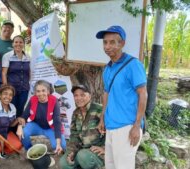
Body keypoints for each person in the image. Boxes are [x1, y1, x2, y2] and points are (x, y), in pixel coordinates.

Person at [96, 25, 147, 169]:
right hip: (111, 126)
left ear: (122, 43)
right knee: (110, 166)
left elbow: (143, 94)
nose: (107, 46)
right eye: (105, 42)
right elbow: (106, 93)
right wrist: (102, 117)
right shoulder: (107, 68)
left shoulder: (133, 65)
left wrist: (136, 126)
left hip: (127, 127)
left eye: (112, 42)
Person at [59, 85, 105, 169]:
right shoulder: (76, 113)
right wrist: (72, 151)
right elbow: (74, 135)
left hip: (97, 152)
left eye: (82, 95)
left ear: (89, 96)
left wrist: (104, 148)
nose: (78, 98)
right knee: (64, 163)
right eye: (76, 95)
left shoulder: (100, 110)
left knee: (83, 156)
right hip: (82, 150)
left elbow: (112, 132)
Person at [16, 80, 66, 154]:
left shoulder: (54, 101)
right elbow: (24, 116)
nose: (41, 93)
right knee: (24, 132)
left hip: (50, 128)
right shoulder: (33, 99)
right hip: (36, 126)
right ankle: (29, 149)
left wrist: (58, 144)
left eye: (43, 90)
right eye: (38, 91)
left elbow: (57, 121)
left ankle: (57, 145)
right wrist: (19, 126)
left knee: (62, 145)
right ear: (35, 92)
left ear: (48, 91)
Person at [2, 35, 30, 118]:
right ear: (12, 44)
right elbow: (4, 73)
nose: (18, 44)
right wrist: (6, 88)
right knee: (11, 109)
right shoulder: (7, 56)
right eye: (16, 42)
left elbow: (30, 72)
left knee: (20, 109)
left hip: (24, 89)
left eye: (21, 42)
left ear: (24, 44)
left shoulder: (28, 57)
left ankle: (18, 129)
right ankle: (9, 129)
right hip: (12, 89)